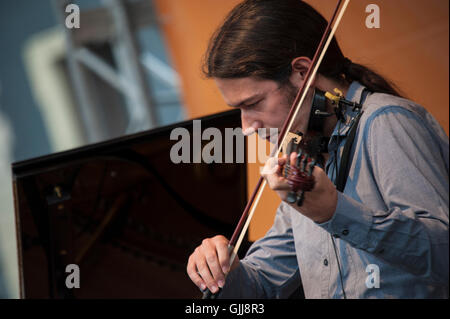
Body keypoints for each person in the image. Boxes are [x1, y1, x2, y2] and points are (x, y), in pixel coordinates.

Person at [186, 0, 449, 298]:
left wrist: (335, 212)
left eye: (254, 103)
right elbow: (261, 285)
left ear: (302, 73)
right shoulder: (306, 152)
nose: (247, 126)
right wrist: (226, 273)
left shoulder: (386, 123)